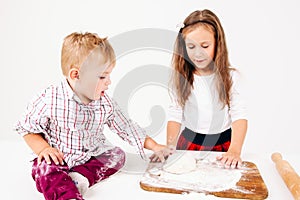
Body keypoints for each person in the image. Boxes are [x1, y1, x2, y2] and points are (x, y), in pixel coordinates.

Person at [14, 32, 166, 200]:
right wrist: (44, 149)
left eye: (109, 75)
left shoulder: (104, 102)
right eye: (102, 76)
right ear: (76, 75)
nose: (108, 82)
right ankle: (67, 194)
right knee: (44, 168)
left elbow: (126, 127)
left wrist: (155, 146)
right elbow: (27, 128)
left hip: (91, 155)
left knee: (118, 156)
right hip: (59, 157)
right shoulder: (49, 99)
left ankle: (80, 178)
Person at [167, 9, 248, 169]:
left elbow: (239, 116)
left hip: (223, 147)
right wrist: (169, 148)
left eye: (205, 46)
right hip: (188, 146)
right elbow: (174, 115)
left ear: (218, 43)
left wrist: (235, 150)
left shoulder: (230, 77)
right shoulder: (181, 77)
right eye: (191, 46)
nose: (198, 53)